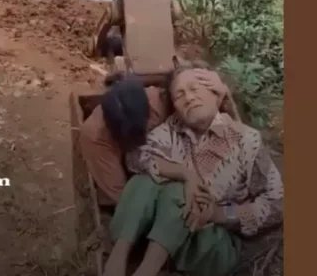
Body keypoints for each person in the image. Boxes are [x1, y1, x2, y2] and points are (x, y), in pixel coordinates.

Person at [82, 64, 284, 276]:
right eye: (180, 95)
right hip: (165, 235)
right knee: (145, 181)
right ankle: (115, 271)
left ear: (215, 94)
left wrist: (220, 213)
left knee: (176, 191)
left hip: (211, 243)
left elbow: (278, 203)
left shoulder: (247, 141)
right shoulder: (169, 131)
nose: (188, 97)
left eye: (196, 88)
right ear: (174, 107)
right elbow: (137, 159)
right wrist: (183, 172)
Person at [79, 61, 239, 207]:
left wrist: (222, 94)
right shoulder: (97, 136)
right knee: (127, 204)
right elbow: (136, 173)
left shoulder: (166, 105)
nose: (189, 99)